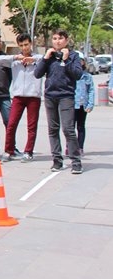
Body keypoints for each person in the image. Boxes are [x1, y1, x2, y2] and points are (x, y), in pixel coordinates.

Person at [34, 30, 83, 173]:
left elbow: (78, 74)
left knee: (68, 129)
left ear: (66, 40)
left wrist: (66, 60)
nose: (57, 41)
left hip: (66, 96)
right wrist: (45, 58)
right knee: (53, 129)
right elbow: (37, 74)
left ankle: (76, 161)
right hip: (50, 96)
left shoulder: (74, 56)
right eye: (54, 38)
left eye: (60, 38)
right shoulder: (49, 56)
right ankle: (57, 160)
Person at [0, 33, 43, 162]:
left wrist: (33, 59)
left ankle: (28, 151)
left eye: (26, 44)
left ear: (31, 44)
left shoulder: (38, 59)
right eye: (22, 45)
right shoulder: (15, 60)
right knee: (11, 124)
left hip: (33, 96)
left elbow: (46, 58)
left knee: (31, 126)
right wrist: (15, 57)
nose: (25, 48)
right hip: (18, 97)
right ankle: (9, 150)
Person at [73, 56, 95, 157]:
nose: (79, 62)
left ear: (83, 62)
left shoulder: (87, 76)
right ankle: (71, 147)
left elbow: (91, 91)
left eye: (80, 60)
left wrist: (90, 104)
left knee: (81, 126)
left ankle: (80, 147)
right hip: (72, 104)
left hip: (83, 105)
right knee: (70, 127)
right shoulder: (71, 74)